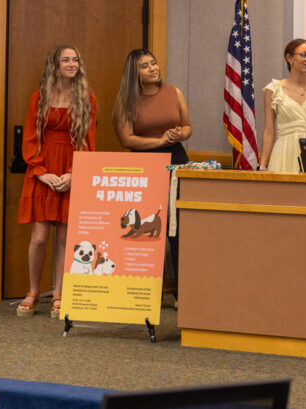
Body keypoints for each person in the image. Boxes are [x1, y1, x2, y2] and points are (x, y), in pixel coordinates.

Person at [16, 45, 97, 317]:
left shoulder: (88, 99)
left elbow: (88, 142)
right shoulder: (38, 98)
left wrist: (74, 173)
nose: (72, 63)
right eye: (66, 59)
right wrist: (41, 171)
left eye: (75, 59)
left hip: (70, 171)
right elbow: (29, 139)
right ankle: (33, 292)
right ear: (55, 64)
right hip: (42, 170)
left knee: (64, 238)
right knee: (39, 238)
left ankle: (59, 293)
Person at [112, 49, 192, 280]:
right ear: (134, 73)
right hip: (145, 166)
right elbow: (126, 138)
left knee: (178, 228)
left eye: (154, 63)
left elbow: (187, 126)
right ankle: (142, 290)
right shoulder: (126, 101)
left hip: (176, 162)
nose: (153, 68)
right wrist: (159, 140)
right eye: (145, 66)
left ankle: (181, 291)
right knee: (144, 228)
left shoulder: (173, 92)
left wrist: (179, 134)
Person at [260, 38, 306, 173]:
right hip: (284, 153)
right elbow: (269, 131)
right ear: (289, 57)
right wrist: (262, 166)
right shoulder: (273, 89)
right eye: (304, 55)